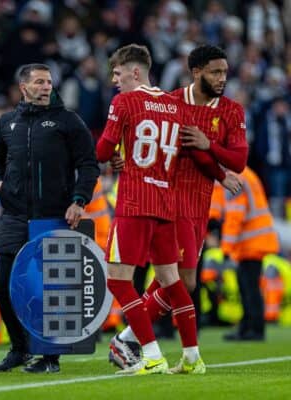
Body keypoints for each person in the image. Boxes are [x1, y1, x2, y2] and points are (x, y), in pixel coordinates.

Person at [109, 45, 249, 372]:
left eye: (225, 72)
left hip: (199, 203)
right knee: (179, 279)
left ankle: (135, 339)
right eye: (216, 72)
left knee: (180, 279)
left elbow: (239, 161)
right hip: (166, 199)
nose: (222, 78)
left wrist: (208, 145)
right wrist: (123, 157)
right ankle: (136, 340)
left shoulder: (230, 111)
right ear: (196, 71)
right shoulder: (170, 101)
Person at [95, 44, 213, 375]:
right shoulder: (176, 106)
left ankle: (151, 354)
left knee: (118, 281)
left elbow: (103, 150)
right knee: (170, 280)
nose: (114, 80)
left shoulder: (125, 102)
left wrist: (115, 153)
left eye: (118, 73)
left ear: (136, 72)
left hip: (134, 201)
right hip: (166, 203)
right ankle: (192, 357)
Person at [0, 63, 100, 373]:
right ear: (24, 88)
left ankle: (50, 358)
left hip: (54, 215)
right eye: (39, 82)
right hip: (14, 215)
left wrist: (79, 200)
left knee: (52, 290)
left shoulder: (68, 121)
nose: (46, 86)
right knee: (3, 284)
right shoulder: (7, 123)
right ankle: (20, 348)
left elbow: (89, 165)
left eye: (49, 81)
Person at [221, 167, 279, 341]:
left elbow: (235, 215)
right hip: (256, 239)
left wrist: (226, 247)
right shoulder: (247, 174)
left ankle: (253, 329)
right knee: (248, 286)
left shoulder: (236, 178)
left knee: (249, 288)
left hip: (251, 242)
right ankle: (248, 327)